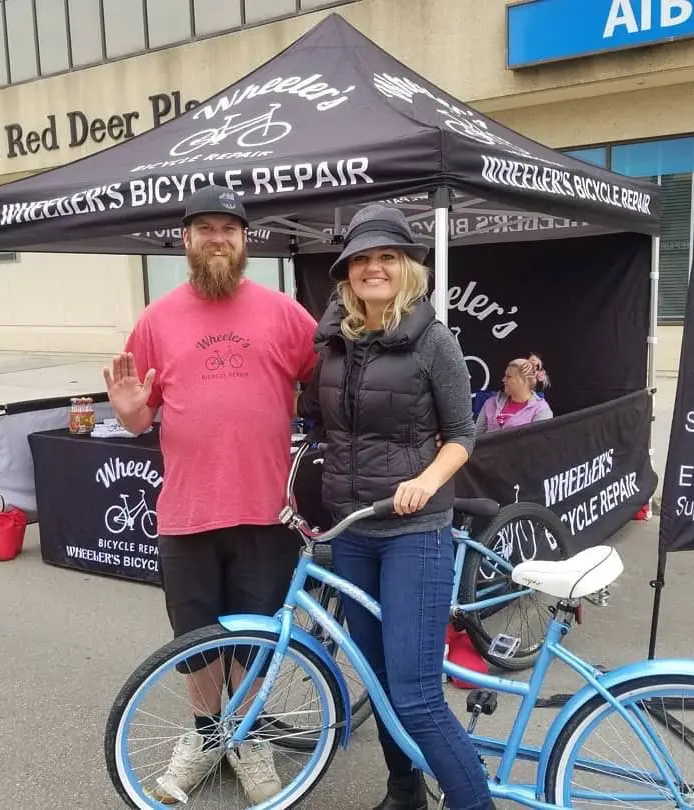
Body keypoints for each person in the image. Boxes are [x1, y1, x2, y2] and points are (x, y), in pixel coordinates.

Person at [103, 184, 318, 804]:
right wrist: (129, 412)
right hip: (188, 513)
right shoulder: (157, 319)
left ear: (246, 240)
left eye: (229, 229)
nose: (217, 238)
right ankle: (205, 734)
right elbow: (140, 416)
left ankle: (246, 739)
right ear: (186, 239)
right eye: (206, 229)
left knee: (254, 638)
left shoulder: (284, 313)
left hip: (267, 511)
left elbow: (326, 379)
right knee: (196, 641)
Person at [300, 204, 495, 810]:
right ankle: (403, 790)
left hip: (415, 530)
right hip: (352, 528)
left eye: (387, 256)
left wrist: (427, 480)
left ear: (407, 267)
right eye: (361, 259)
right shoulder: (334, 342)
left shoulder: (435, 341)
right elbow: (318, 422)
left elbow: (462, 434)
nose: (374, 268)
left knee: (416, 695)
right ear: (346, 272)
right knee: (379, 680)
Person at [475, 358, 553, 437]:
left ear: (524, 381)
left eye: (508, 376)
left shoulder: (541, 410)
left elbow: (537, 442)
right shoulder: (490, 402)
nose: (503, 380)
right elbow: (476, 437)